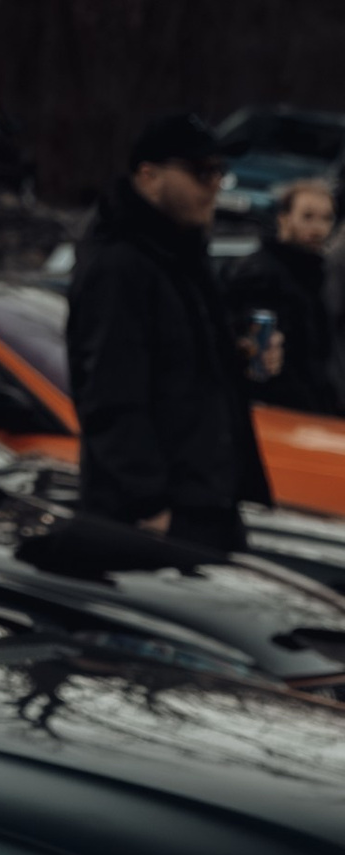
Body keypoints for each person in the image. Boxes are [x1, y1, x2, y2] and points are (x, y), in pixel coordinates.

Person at [66, 110, 271, 547]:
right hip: (161, 523)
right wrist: (148, 506)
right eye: (200, 172)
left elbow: (180, 370)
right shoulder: (121, 265)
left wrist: (239, 354)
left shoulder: (181, 254)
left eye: (219, 171)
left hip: (206, 504)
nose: (215, 184)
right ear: (149, 175)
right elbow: (109, 396)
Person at [219, 175, 341, 417]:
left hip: (312, 406)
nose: (318, 228)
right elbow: (258, 348)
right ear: (284, 218)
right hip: (277, 407)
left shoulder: (315, 272)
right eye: (307, 216)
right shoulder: (262, 272)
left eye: (326, 218)